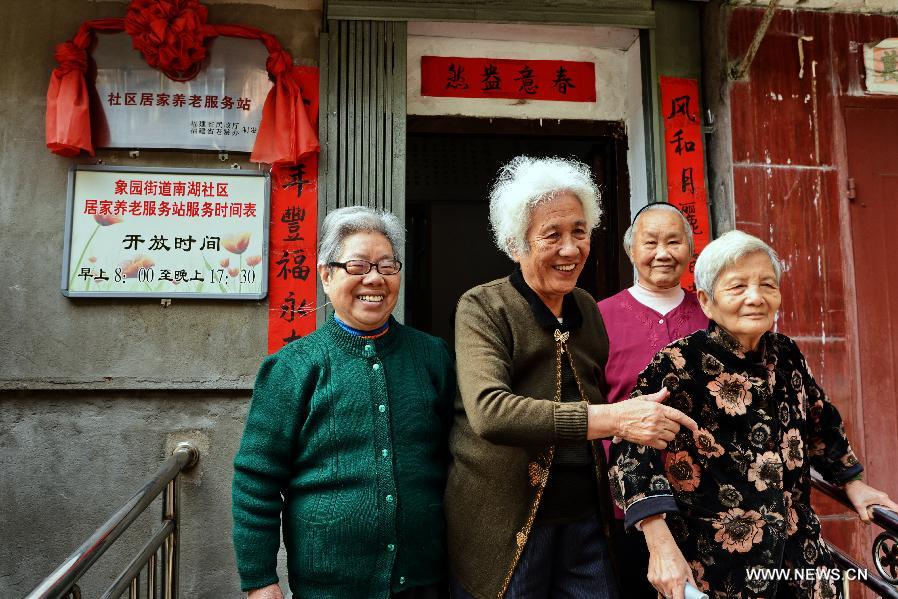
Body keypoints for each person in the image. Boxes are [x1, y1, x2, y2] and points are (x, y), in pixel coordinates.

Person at [446, 156, 698, 599]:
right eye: (552, 235)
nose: (570, 249)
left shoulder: (587, 309)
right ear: (515, 243)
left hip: (584, 520)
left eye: (579, 232)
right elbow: (491, 413)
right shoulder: (484, 307)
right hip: (507, 526)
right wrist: (616, 419)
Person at [609, 230, 898, 599]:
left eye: (767, 284)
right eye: (737, 287)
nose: (755, 297)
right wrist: (658, 538)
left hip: (800, 561)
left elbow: (820, 421)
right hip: (717, 569)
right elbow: (630, 455)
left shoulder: (787, 353)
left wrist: (853, 481)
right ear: (707, 302)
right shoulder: (680, 364)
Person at [232, 206, 456, 599]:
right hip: (329, 587)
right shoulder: (292, 367)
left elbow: (456, 460)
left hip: (424, 581)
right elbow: (256, 481)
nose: (374, 278)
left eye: (388, 266)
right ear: (326, 274)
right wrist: (260, 581)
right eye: (357, 266)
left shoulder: (432, 356)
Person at [597, 202, 709, 599]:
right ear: (631, 250)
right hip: (630, 507)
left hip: (710, 502)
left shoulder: (712, 314)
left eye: (674, 241)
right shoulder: (600, 317)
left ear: (690, 249)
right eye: (651, 242)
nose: (663, 252)